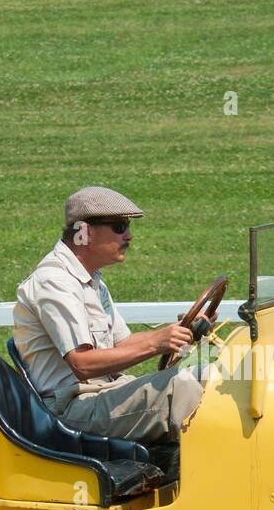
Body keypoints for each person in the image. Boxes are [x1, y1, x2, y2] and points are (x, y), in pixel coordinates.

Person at [11, 186, 207, 445]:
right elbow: (82, 363)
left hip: (101, 393)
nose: (129, 236)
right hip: (72, 409)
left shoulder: (90, 279)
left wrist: (180, 329)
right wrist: (157, 342)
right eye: (118, 226)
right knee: (181, 386)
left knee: (206, 373)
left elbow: (122, 344)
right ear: (84, 232)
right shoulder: (55, 281)